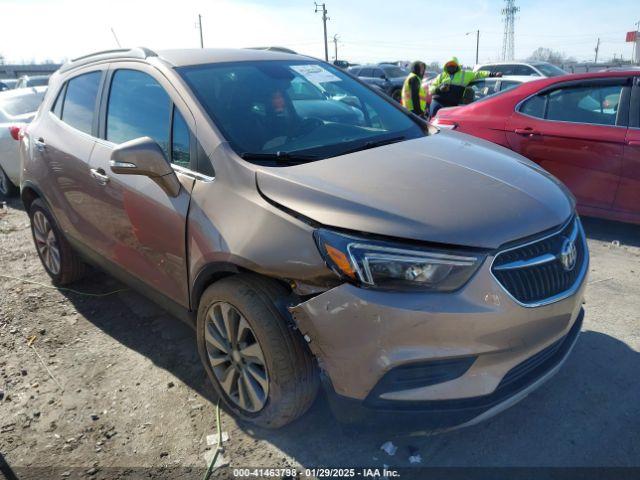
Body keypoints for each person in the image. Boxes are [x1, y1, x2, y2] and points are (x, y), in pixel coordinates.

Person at [429, 57, 500, 117]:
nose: (450, 66)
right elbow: (431, 89)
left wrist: (492, 74)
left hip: (451, 105)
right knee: (431, 122)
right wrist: (439, 89)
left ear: (457, 65)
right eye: (449, 65)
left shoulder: (465, 74)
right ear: (446, 66)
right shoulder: (441, 75)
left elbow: (478, 74)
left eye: (453, 64)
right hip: (437, 101)